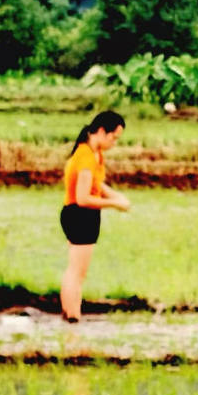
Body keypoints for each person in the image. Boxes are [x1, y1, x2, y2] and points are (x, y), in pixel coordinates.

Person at [60, 111, 131, 322]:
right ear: (101, 131)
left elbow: (95, 184)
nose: (114, 143)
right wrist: (115, 204)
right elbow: (83, 198)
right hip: (81, 215)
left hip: (82, 215)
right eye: (113, 138)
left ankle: (70, 315)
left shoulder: (95, 154)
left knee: (75, 270)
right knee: (77, 273)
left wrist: (115, 195)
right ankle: (73, 318)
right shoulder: (85, 157)